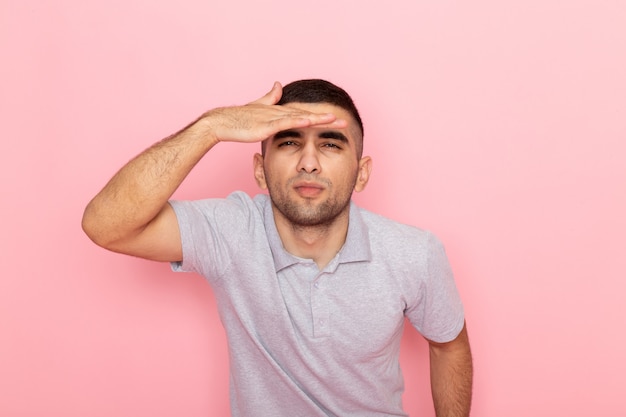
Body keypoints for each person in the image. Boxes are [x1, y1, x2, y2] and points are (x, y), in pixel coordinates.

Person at [82, 79, 473, 417]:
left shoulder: (414, 252)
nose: (309, 162)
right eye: (289, 142)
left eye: (331, 144)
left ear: (362, 172)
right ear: (259, 169)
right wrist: (212, 126)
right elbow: (106, 225)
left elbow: (448, 347)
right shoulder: (232, 231)